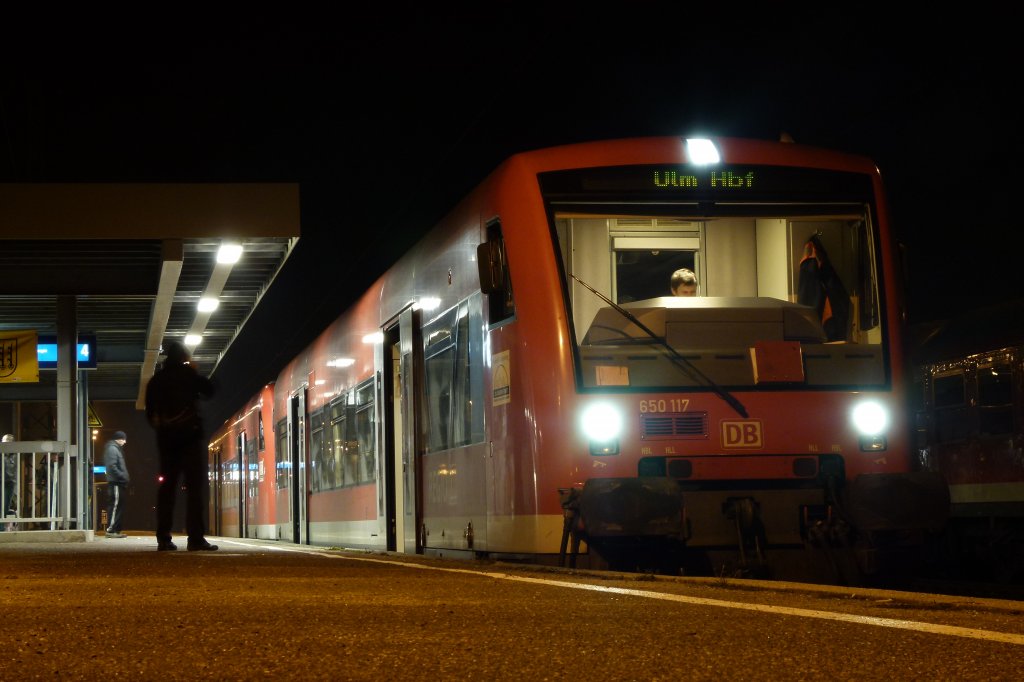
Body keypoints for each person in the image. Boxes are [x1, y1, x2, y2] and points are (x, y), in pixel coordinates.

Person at [145, 340, 218, 552]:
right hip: (190, 439)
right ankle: (195, 539)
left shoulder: (156, 381)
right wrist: (194, 370)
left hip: (167, 441)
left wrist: (163, 428)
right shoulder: (188, 376)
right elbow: (210, 391)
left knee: (167, 489)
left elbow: (150, 414)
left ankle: (164, 539)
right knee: (194, 489)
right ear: (183, 358)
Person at [102, 431, 130, 538]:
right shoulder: (112, 449)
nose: (125, 441)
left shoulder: (115, 449)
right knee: (115, 505)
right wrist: (122, 476)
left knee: (118, 506)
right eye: (123, 439)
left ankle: (116, 530)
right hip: (116, 483)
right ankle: (110, 529)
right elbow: (112, 466)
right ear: (118, 439)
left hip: (119, 483)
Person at [2, 434, 16, 526]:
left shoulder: (15, 455)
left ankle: (2, 528)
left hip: (10, 482)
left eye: (9, 443)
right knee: (2, 507)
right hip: (1, 481)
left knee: (5, 507)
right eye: (4, 442)